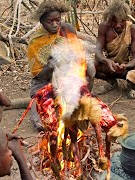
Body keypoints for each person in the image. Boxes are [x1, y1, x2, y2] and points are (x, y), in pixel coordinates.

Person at [27, 0, 95, 131]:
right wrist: (53, 63)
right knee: (42, 125)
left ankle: (83, 99)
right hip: (45, 83)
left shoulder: (67, 29)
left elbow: (78, 52)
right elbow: (39, 75)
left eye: (57, 20)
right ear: (41, 22)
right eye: (49, 21)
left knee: (90, 70)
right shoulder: (35, 42)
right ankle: (42, 104)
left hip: (67, 78)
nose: (55, 24)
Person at [94, 0, 135, 98]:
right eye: (114, 21)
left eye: (122, 21)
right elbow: (98, 51)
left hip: (126, 67)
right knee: (91, 66)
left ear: (126, 18)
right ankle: (111, 82)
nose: (118, 25)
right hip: (110, 66)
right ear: (109, 18)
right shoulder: (104, 27)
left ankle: (131, 86)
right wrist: (107, 61)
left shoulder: (133, 29)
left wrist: (126, 66)